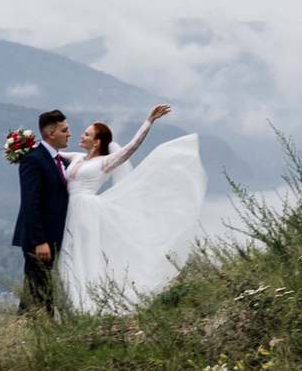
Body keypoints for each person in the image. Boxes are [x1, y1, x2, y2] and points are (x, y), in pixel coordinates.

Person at [57, 103, 207, 309]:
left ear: (97, 142)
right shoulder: (76, 157)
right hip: (70, 208)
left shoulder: (105, 162)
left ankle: (90, 302)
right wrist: (24, 144)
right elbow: (51, 153)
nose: (81, 136)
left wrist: (149, 121)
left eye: (87, 134)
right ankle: (72, 301)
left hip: (86, 211)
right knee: (70, 253)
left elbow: (132, 147)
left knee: (86, 253)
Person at [11, 108, 71, 316]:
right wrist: (39, 241)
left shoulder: (60, 161)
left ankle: (41, 332)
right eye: (64, 130)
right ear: (51, 133)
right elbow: (30, 203)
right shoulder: (34, 160)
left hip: (52, 238)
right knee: (36, 290)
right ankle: (24, 331)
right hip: (39, 240)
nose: (69, 134)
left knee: (44, 290)